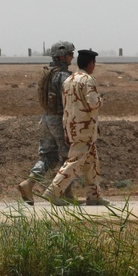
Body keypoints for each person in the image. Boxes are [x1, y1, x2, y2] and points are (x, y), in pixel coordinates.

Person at [40, 49, 110, 206]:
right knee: (75, 161)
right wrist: (100, 100)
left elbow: (66, 106)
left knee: (91, 162)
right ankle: (53, 191)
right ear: (91, 63)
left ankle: (94, 196)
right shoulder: (88, 80)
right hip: (85, 128)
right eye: (94, 63)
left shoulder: (69, 80)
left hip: (72, 127)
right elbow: (93, 103)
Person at [18, 41, 75, 205]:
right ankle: (64, 193)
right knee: (68, 158)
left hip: (46, 119)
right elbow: (67, 103)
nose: (72, 57)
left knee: (47, 156)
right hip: (59, 119)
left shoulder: (49, 74)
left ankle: (29, 183)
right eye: (70, 54)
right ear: (63, 56)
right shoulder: (63, 76)